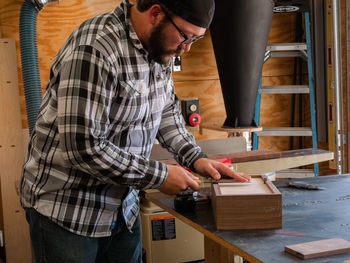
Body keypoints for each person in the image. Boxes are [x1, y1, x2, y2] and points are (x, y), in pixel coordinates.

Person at [20, 0, 251, 262]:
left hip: (122, 208)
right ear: (155, 13)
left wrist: (195, 158)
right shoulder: (96, 48)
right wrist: (160, 176)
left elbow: (166, 113)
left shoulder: (159, 45)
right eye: (186, 36)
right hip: (68, 213)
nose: (186, 48)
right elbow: (83, 148)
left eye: (194, 40)